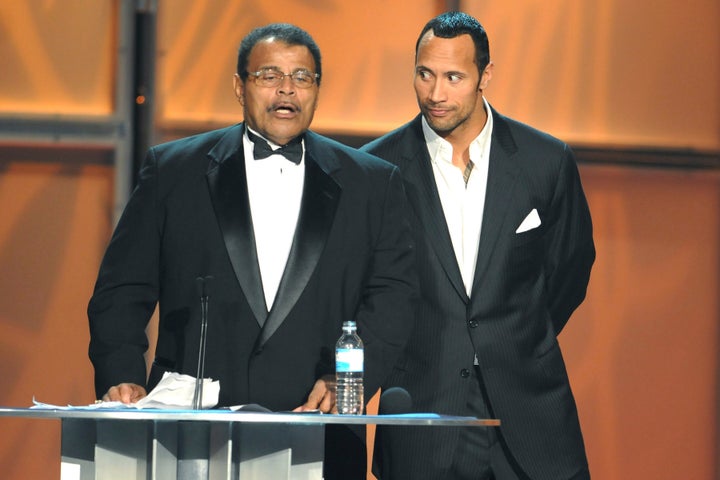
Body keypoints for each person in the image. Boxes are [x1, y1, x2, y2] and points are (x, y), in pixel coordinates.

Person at [87, 23, 417, 479]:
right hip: (193, 436)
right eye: (269, 76)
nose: (287, 90)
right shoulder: (173, 171)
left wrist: (348, 382)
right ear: (240, 87)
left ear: (317, 90)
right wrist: (120, 374)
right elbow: (122, 290)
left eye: (302, 77)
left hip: (318, 429)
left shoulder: (373, 183)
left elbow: (393, 300)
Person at [362, 11, 595, 480]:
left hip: (531, 412)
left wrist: (514, 335)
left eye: (453, 77)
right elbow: (367, 291)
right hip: (422, 413)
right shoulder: (375, 169)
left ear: (485, 76)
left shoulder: (544, 160)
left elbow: (570, 268)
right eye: (424, 74)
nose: (435, 94)